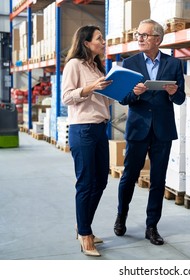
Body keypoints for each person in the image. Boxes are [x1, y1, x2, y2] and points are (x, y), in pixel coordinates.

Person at [114, 19, 186, 245]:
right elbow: (122, 98)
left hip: (162, 130)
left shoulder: (173, 64)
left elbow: (181, 99)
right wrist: (135, 93)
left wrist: (174, 92)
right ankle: (121, 217)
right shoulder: (129, 63)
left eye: (144, 35)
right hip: (137, 129)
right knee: (128, 177)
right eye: (138, 35)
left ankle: (152, 226)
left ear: (158, 39)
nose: (140, 39)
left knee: (158, 180)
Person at [62, 25, 112, 257]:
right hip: (82, 129)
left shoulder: (98, 66)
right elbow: (67, 98)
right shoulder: (74, 65)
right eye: (99, 38)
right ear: (86, 42)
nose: (103, 41)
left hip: (100, 128)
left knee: (100, 181)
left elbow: (103, 102)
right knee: (86, 183)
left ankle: (84, 226)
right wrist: (91, 87)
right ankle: (84, 233)